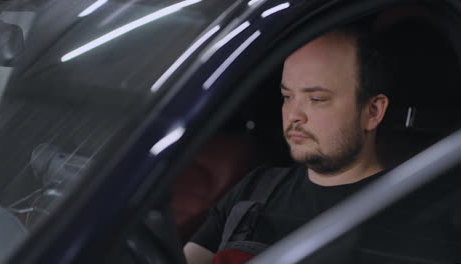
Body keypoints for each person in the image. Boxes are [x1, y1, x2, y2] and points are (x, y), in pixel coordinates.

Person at [184, 20, 461, 263]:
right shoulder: (256, 190)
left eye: (316, 100)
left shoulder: (422, 223)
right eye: (287, 97)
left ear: (372, 112)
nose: (294, 115)